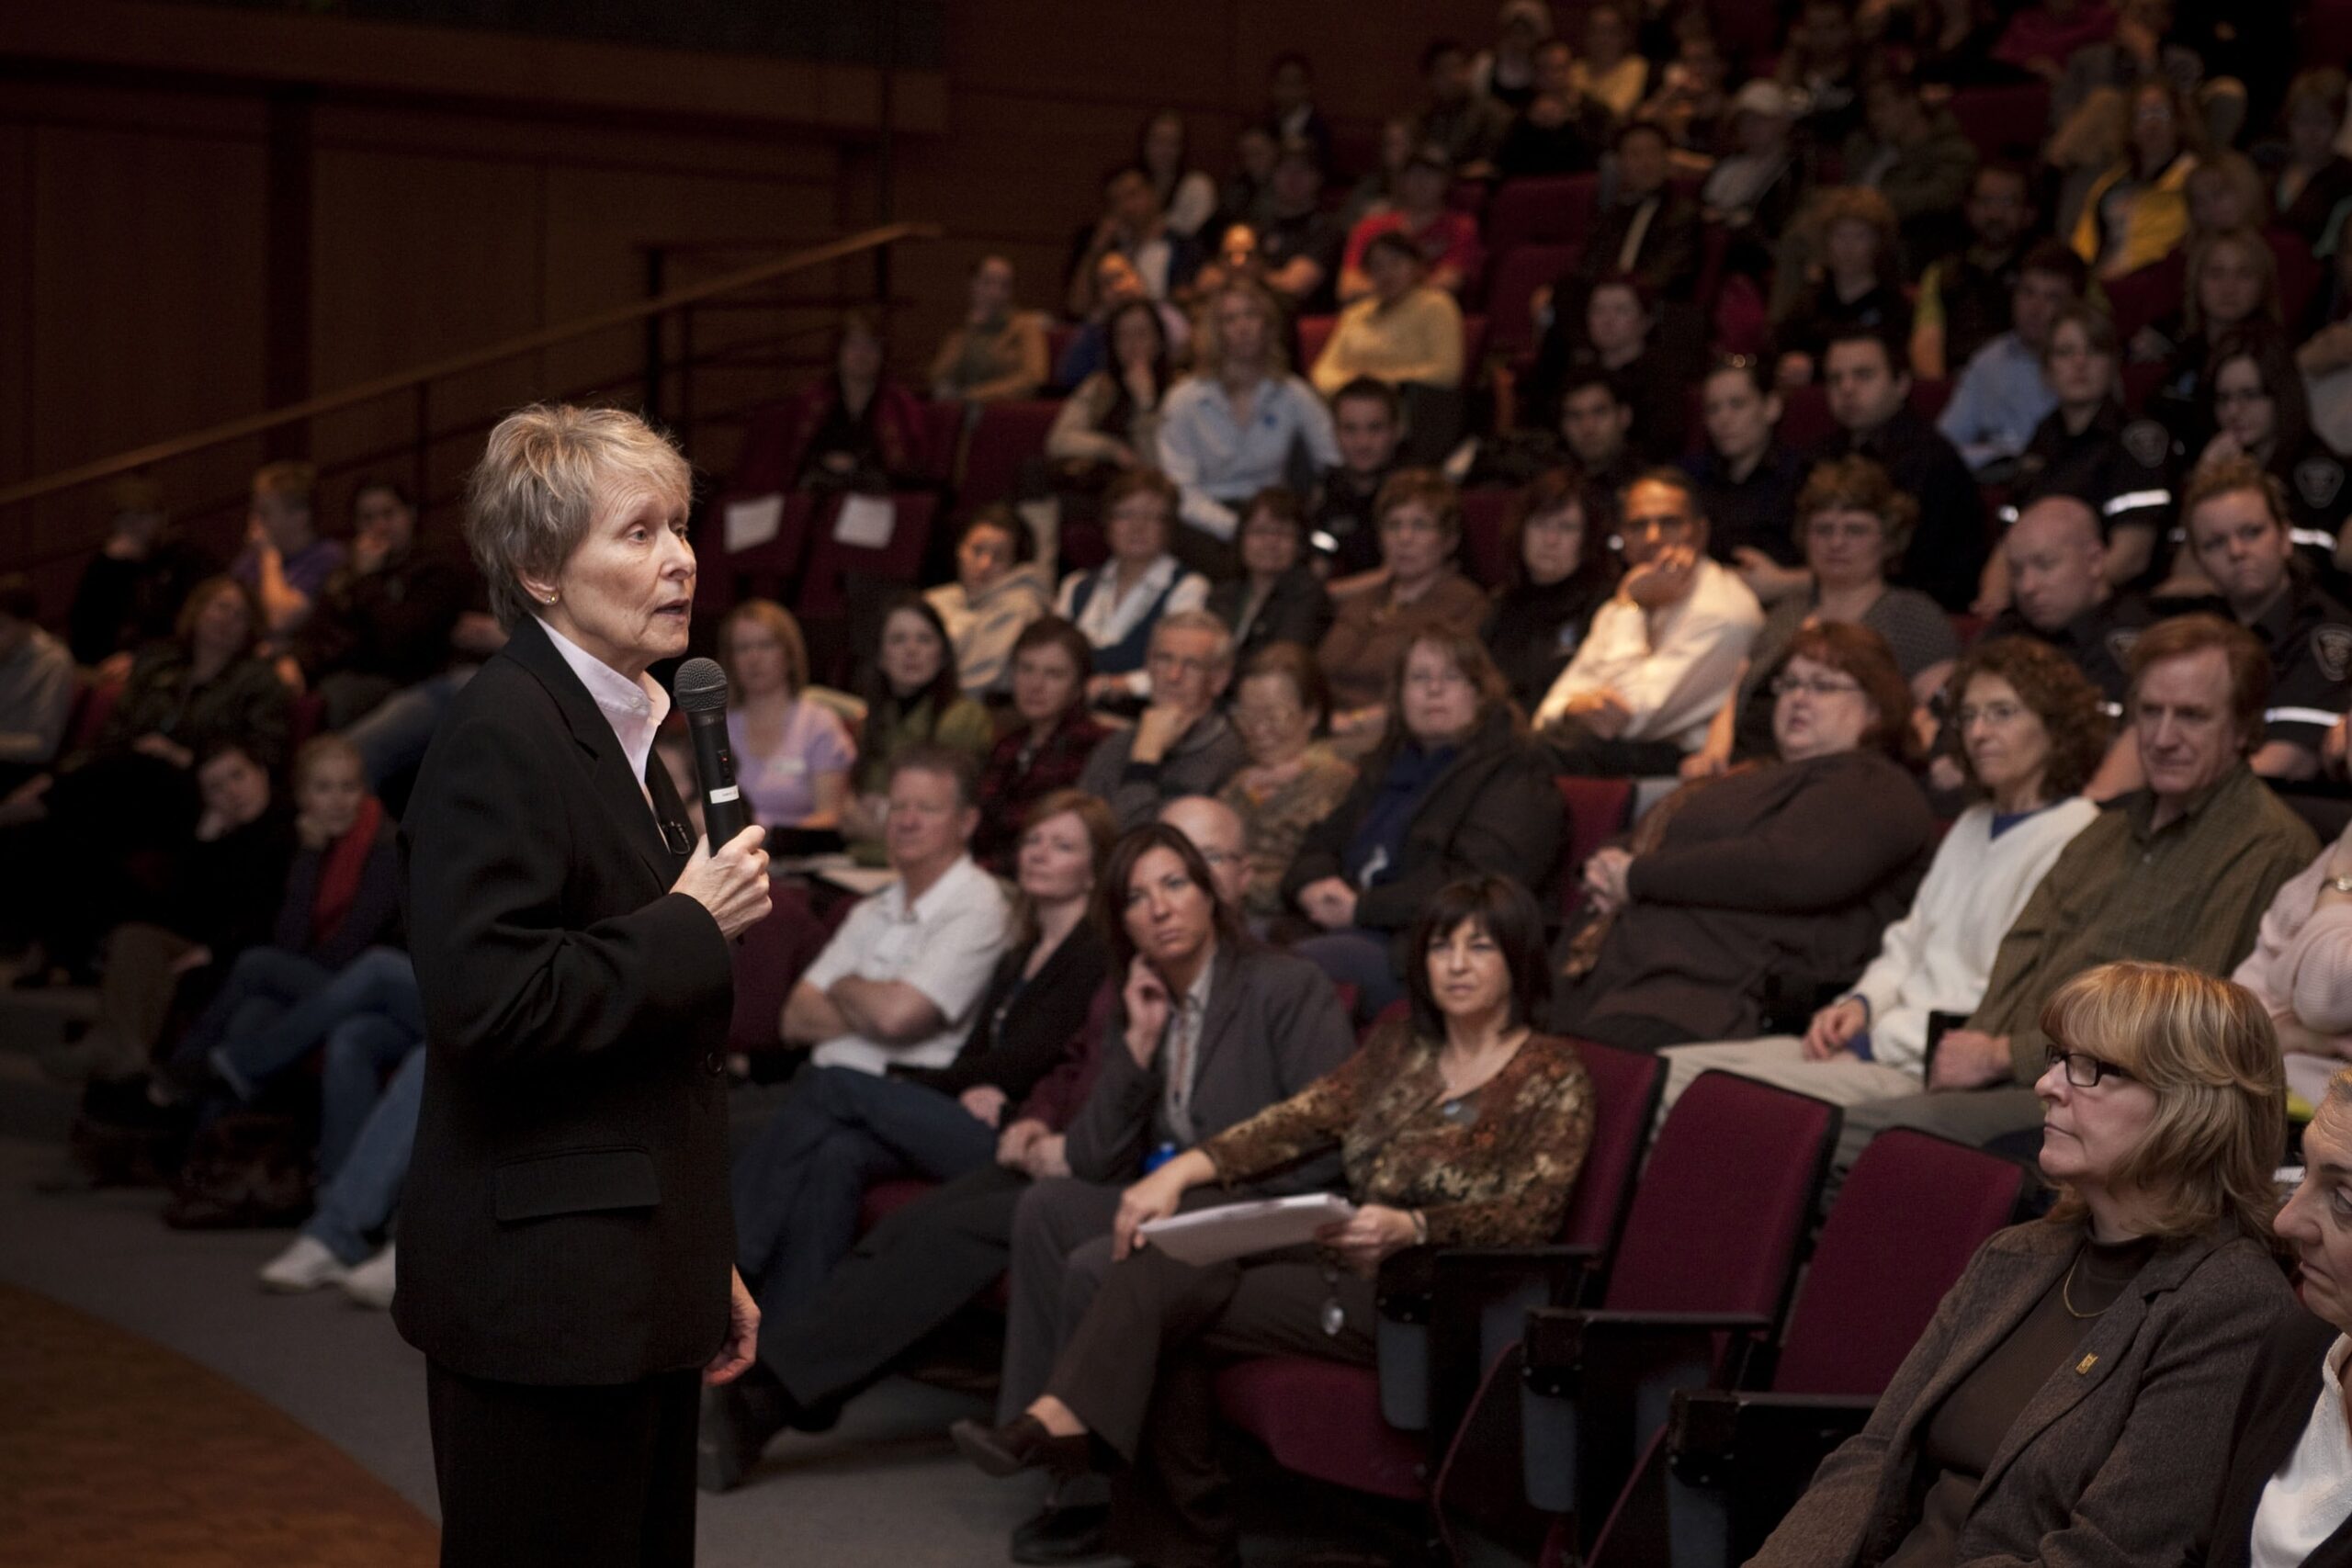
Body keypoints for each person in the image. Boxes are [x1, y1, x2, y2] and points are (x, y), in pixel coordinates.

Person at [952, 876, 1596, 1568]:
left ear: (1517, 959)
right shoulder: (1401, 1048)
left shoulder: (1552, 1073)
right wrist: (1185, 1168)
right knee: (1173, 1261)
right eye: (1442, 946)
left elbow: (1532, 1212)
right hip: (1342, 1267)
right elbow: (1296, 1121)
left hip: (1432, 1297)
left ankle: (1099, 1453)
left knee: (1169, 1311)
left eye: (1480, 947)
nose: (1457, 965)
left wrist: (1413, 1226)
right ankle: (1139, 1497)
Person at [395, 404, 775, 1568]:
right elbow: (491, 1005)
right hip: (545, 1299)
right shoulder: (502, 733)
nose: (680, 559)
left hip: (630, 1271)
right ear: (540, 572)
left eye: (680, 527)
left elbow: (645, 1052)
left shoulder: (626, 725)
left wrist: (698, 1253)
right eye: (638, 533)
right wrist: (690, 923)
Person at [1749, 962, 2297, 1568]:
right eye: (2057, 1057)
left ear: (2193, 1106)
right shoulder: (2015, 1255)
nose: (2047, 1085)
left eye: (2092, 1067)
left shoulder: (2230, 1305)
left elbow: (2105, 1556)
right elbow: (1874, 1456)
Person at [1837, 614, 2317, 1164]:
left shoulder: (2265, 844)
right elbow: (2017, 957)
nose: (2162, 738)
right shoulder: (2104, 830)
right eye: (2149, 713)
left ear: (2243, 729)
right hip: (2009, 1077)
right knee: (1828, 1127)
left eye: (2191, 716)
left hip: (2115, 1102)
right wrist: (1970, 1054)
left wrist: (2002, 1055)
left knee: (1860, 1136)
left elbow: (2180, 1022)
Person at [1655, 637, 2105, 1114]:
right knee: (1659, 1075)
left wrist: (1877, 1039)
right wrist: (1860, 1005)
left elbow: (1998, 989)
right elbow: (1910, 942)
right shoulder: (1973, 823)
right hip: (1878, 1039)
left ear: (2055, 726)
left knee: (1697, 1098)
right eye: (1969, 715)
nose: (1978, 732)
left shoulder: (2077, 833)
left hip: (1919, 1064)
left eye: (2002, 713)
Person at [741, 787, 1104, 1307]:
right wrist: (965, 1083)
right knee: (838, 1153)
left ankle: (732, 1260)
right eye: (1034, 841)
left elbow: (1028, 1061)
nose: (1040, 854)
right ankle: (781, 1329)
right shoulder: (1023, 948)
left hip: (1013, 1133)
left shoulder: (1091, 956)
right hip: (972, 1107)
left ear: (1093, 871)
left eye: (1063, 846)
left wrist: (913, 1081)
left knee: (831, 1086)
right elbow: (978, 1055)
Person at [1554, 622, 1935, 1051]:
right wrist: (1607, 868)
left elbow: (1789, 868)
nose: (1799, 698)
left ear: (1877, 707)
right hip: (1626, 987)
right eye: (1789, 684)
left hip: (1713, 1002)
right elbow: (1667, 835)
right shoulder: (1756, 775)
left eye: (1822, 686)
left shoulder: (1874, 785)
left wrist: (1636, 877)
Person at [1284, 631, 1562, 1021]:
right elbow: (1319, 843)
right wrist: (1313, 885)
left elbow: (1480, 883)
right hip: (1349, 927)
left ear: (1480, 693)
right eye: (1419, 678)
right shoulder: (1388, 762)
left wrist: (1363, 908)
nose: (1434, 690)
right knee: (1235, 951)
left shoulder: (1516, 771)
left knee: (1284, 975)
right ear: (1399, 697)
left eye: (1451, 677)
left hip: (1431, 949)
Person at [150, 733, 402, 1108]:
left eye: (349, 787)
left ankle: (179, 1072)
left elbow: (348, 949)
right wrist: (310, 855)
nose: (338, 801)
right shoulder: (313, 842)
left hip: (370, 988)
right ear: (303, 798)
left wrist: (285, 970)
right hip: (322, 977)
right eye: (324, 789)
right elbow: (290, 939)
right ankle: (206, 1135)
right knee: (250, 1016)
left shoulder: (385, 848)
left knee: (257, 964)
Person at [1689, 457, 1961, 772]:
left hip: (1848, 778)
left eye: (1855, 530)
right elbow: (1739, 693)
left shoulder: (1912, 616)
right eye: (1823, 529)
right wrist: (1714, 753)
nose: (1836, 543)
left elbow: (1943, 712)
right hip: (1748, 771)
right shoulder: (1787, 613)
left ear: (1888, 540)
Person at [783, 745, 1010, 1071]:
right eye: (898, 807)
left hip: (895, 1091)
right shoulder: (872, 907)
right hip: (821, 1080)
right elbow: (795, 1019)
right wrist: (877, 1007)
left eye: (927, 809)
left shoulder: (978, 904)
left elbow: (896, 1018)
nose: (907, 821)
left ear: (967, 822)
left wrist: (840, 984)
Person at [1534, 469, 1765, 776]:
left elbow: (1630, 718)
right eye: (1637, 526)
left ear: (1700, 533)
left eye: (1669, 523)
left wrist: (1631, 606)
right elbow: (1547, 712)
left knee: (1537, 758)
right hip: (1608, 754)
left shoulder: (1724, 611)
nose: (1652, 538)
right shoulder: (1630, 594)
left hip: (1678, 769)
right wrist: (1573, 708)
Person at [300, 479, 505, 788]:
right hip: (370, 684)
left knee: (344, 762)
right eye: (368, 518)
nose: (379, 527)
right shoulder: (346, 577)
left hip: (429, 680)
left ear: (409, 514)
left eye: (388, 514)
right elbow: (323, 633)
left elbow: (402, 639)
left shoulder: (436, 567)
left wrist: (369, 581)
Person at [2170, 455, 2352, 782]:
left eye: (2252, 532)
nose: (2236, 551)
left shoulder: (2327, 630)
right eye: (2215, 543)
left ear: (2284, 538)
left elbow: (2290, 760)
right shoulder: (2193, 631)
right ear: (2199, 561)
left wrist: (2184, 789)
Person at [1156, 281, 1340, 578]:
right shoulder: (1184, 399)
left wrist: (1298, 513)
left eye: (1251, 315)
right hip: (1205, 518)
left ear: (1268, 327)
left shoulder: (1293, 393)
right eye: (1230, 319)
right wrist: (1239, 529)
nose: (1243, 327)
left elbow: (1331, 460)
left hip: (1272, 514)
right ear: (1216, 331)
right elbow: (1182, 491)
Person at [2006, 303, 2178, 592]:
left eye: (2094, 350)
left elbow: (2132, 556)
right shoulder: (2042, 438)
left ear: (2113, 364)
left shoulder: (2138, 438)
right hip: (2043, 596)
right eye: (2065, 352)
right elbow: (2010, 544)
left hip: (2116, 600)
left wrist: (2060, 599)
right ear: (2047, 369)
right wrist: (1995, 601)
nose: (2080, 363)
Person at [1815, 326, 1988, 611]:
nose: (1847, 389)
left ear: (1901, 383)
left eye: (1863, 375)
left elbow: (1913, 566)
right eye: (1835, 379)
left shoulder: (1932, 460)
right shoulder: (1823, 454)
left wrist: (1795, 582)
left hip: (1916, 608)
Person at [1316, 470, 1490, 744]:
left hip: (1396, 739)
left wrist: (1354, 723)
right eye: (1393, 526)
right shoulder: (1361, 600)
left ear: (1449, 540)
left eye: (1420, 526)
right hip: (1322, 728)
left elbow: (1446, 696)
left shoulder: (1465, 604)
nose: (1404, 538)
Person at [840, 593, 994, 853]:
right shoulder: (873, 721)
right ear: (880, 656)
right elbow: (851, 814)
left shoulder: (963, 718)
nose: (911, 650)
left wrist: (879, 821)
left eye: (924, 639)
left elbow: (946, 828)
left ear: (942, 654)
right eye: (898, 639)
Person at [1216, 644, 1357, 923]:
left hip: (1284, 923)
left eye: (1275, 716)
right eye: (1246, 716)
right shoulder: (1237, 782)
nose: (1259, 729)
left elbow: (1311, 878)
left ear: (1312, 714)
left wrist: (1224, 885)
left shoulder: (1336, 781)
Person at [2197, 328, 2351, 579]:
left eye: (2250, 395)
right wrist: (2207, 477)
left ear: (2281, 395)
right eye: (2223, 399)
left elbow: (2306, 564)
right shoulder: (2220, 458)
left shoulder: (2317, 468)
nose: (2233, 411)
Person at [1077, 610, 1246, 830]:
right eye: (1164, 660)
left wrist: (1145, 759)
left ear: (1219, 680)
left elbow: (1144, 839)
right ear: (1148, 666)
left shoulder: (1231, 757)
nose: (1173, 676)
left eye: (1192, 665)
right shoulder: (1115, 745)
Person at [1056, 469, 1212, 700]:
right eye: (1125, 515)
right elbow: (1052, 657)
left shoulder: (1188, 587)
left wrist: (1114, 686)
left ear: (1169, 528)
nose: (1138, 527)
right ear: (1107, 524)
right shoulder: (1076, 585)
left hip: (1144, 711)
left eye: (1151, 517)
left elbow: (1182, 670)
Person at [1308, 232, 1465, 458]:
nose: (1387, 273)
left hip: (1410, 411)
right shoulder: (1355, 314)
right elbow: (1322, 371)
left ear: (1417, 267)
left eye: (1396, 263)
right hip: (1350, 408)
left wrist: (1382, 383)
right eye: (1377, 266)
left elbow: (1446, 372)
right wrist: (1355, 387)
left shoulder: (1436, 305)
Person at [973, 617, 1110, 873]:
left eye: (1054, 674)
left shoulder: (1095, 746)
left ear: (1079, 687)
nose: (1035, 685)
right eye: (1026, 669)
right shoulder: (1008, 745)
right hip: (986, 874)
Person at [2232, 820, 2352, 1109]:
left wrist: (2342, 876)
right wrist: (2291, 1034)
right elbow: (2236, 1020)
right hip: (2268, 1096)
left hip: (2329, 1115)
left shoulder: (2345, 855)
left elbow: (2322, 998)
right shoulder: (2333, 853)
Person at [1938, 242, 2085, 477]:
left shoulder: (2088, 362)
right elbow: (1945, 443)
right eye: (2028, 292)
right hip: (1999, 478)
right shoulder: (1988, 360)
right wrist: (2002, 458)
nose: (2035, 308)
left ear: (2074, 305)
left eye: (2052, 297)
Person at [1482, 470, 1618, 716]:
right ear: (1521, 530)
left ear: (1587, 539)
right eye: (1540, 524)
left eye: (1567, 528)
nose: (1551, 540)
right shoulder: (1500, 605)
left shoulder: (1607, 608)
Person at [714, 600, 854, 830]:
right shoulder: (716, 726)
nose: (754, 658)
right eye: (742, 648)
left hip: (800, 850)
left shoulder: (819, 723)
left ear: (789, 654)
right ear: (730, 660)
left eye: (766, 645)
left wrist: (769, 837)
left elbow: (830, 817)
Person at [1682, 356, 1811, 605]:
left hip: (1787, 608)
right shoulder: (1695, 480)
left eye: (1737, 404)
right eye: (1713, 409)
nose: (1723, 418)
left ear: (1771, 407)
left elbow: (1856, 568)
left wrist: (1783, 582)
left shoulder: (1804, 477)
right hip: (1707, 606)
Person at [65, 474, 219, 669]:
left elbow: (189, 625)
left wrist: (137, 658)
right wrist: (112, 567)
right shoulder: (105, 567)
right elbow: (84, 634)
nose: (133, 526)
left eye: (142, 516)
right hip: (108, 666)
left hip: (167, 664)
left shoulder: (185, 560)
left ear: (162, 517)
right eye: (125, 518)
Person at [769, 310, 931, 494]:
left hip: (876, 489)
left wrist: (859, 464)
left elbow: (907, 467)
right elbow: (794, 460)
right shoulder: (813, 400)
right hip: (821, 485)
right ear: (838, 351)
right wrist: (827, 462)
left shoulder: (899, 403)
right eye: (853, 345)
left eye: (871, 345)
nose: (862, 354)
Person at [1774, 187, 1915, 389]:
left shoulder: (1894, 305)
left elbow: (1896, 363)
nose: (1848, 247)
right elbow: (1777, 351)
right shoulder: (1808, 302)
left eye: (1860, 236)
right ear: (1826, 241)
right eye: (1839, 235)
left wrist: (1815, 367)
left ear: (1879, 242)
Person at [1911, 162, 2039, 380]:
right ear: (1968, 208)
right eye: (1985, 201)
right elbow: (1927, 343)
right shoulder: (1942, 273)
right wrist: (1943, 393)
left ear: (2029, 212)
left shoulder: (2050, 270)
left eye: (2008, 202)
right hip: (1958, 384)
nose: (1995, 214)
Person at [1843, 67, 1979, 271]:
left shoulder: (1952, 150)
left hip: (1912, 240)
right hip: (1850, 233)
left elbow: (1941, 196)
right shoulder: (1865, 147)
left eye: (1881, 105)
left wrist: (1871, 204)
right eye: (1870, 108)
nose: (1874, 117)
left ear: (1911, 101)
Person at [2072, 78, 2206, 280]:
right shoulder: (2108, 184)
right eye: (2143, 114)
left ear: (2179, 120)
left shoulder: (2196, 178)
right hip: (2101, 284)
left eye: (2161, 113)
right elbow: (2083, 245)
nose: (2152, 123)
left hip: (2159, 283)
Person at [1557, 120, 1702, 305]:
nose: (1645, 163)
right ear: (1619, 163)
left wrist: (1623, 291)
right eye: (1635, 154)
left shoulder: (1682, 213)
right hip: (1605, 304)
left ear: (1667, 159)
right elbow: (1588, 266)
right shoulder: (1613, 213)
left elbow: (1669, 274)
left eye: (1653, 152)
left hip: (1655, 306)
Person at [1044, 297, 1173, 501]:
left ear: (1159, 342)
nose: (1133, 345)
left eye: (1141, 334)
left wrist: (1145, 403)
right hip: (1102, 483)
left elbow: (1161, 465)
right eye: (1123, 336)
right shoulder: (1100, 385)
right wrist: (1111, 449)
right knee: (1035, 472)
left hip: (1152, 491)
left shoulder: (1178, 392)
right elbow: (1057, 441)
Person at [927, 508, 1051, 698]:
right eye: (977, 550)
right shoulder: (936, 599)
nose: (984, 564)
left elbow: (975, 683)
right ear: (959, 550)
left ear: (1015, 565)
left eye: (999, 557)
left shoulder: (1020, 607)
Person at [1337, 142, 1484, 303]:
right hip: (1376, 312)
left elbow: (1446, 284)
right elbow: (1348, 288)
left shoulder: (1461, 227)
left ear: (1446, 181)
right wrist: (1408, 284)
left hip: (1428, 313)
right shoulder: (1370, 227)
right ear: (1401, 180)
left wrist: (1384, 285)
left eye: (1430, 174)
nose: (1421, 181)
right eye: (1413, 173)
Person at [1204, 487, 1333, 666]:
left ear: (1300, 544)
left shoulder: (1307, 595)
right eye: (1259, 531)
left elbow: (1283, 659)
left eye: (1283, 533)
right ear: (1241, 538)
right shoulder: (1223, 594)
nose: (1271, 543)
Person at [231, 460, 347, 641]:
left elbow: (279, 621)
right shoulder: (251, 559)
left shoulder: (327, 556)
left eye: (264, 513)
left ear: (300, 516)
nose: (254, 520)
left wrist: (269, 555)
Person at [1307, 378, 1407, 579]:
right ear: (1334, 432)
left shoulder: (1419, 492)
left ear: (1397, 431)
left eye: (1375, 428)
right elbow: (1317, 568)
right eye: (1350, 429)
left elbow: (1413, 579)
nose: (1363, 443)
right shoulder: (1325, 493)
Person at [929, 255, 1049, 405]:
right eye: (987, 283)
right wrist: (971, 331)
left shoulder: (1025, 326)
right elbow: (938, 376)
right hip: (962, 408)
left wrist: (975, 394)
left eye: (1004, 286)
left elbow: (1033, 377)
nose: (995, 292)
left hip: (1003, 409)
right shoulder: (962, 331)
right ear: (973, 285)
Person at [1492, 38, 1611, 180]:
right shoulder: (1522, 116)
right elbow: (1503, 162)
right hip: (1534, 188)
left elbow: (1601, 158)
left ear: (1572, 70)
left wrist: (1570, 121)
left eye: (1559, 69)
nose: (1552, 77)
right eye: (1544, 70)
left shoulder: (1595, 112)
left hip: (1580, 187)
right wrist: (1530, 125)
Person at [1253, 138, 1348, 317]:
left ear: (1318, 177)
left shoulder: (1328, 231)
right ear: (1273, 175)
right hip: (1255, 318)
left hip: (1303, 323)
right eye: (1285, 169)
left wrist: (1246, 275)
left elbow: (1294, 285)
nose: (1293, 177)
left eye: (1303, 169)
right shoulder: (1258, 224)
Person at [0, 573, 73, 795]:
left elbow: (44, 746)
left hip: (20, 769)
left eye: (1, 627)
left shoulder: (53, 662)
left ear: (27, 623)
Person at [2270, 66, 2352, 252]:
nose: (2311, 132)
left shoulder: (2345, 178)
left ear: (2338, 123)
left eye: (2322, 122)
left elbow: (2334, 247)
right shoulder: (2269, 165)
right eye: (2302, 121)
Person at [1410, 39, 1511, 178]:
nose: (1453, 77)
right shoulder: (1422, 120)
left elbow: (1492, 164)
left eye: (1459, 68)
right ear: (1430, 79)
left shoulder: (1494, 114)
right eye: (1443, 71)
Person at [1137, 109, 1218, 242]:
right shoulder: (1133, 187)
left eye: (1172, 143)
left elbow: (1199, 237)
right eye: (1158, 141)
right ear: (1144, 144)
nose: (1164, 150)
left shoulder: (1197, 186)